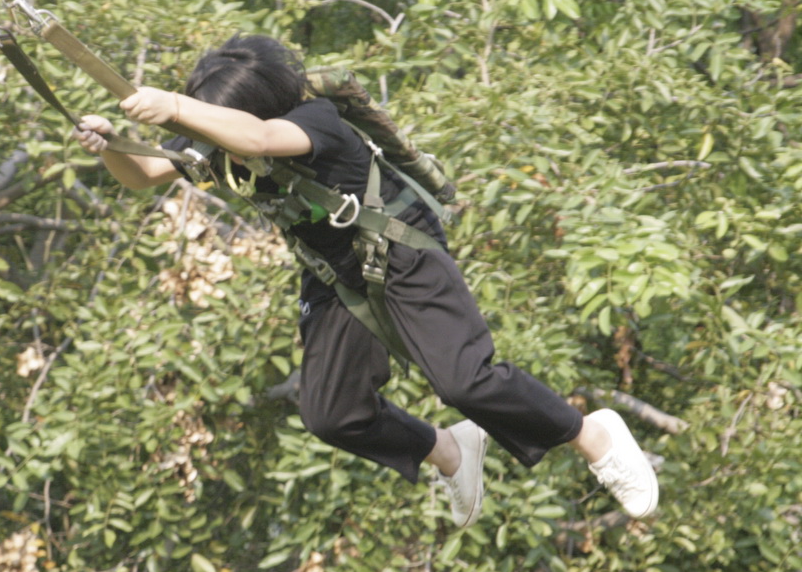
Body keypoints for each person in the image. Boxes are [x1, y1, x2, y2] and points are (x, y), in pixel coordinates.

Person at [72, 34, 658, 527]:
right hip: (333, 274)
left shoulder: (313, 121)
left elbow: (257, 140)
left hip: (400, 248)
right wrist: (109, 145)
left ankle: (592, 436)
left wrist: (174, 105)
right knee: (332, 414)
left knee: (466, 382)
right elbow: (143, 172)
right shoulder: (213, 136)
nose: (207, 138)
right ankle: (448, 449)